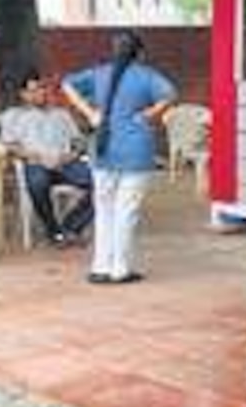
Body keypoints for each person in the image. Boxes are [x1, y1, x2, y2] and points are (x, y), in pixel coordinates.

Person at [62, 31, 176, 285]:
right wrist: (148, 114)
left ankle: (100, 267)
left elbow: (67, 84)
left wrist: (91, 113)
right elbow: (170, 95)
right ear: (140, 53)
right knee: (126, 211)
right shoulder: (146, 75)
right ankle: (120, 269)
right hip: (136, 152)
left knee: (104, 210)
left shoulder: (99, 73)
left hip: (102, 152)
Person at [0, 70, 93, 247]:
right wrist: (34, 157)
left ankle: (71, 226)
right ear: (23, 94)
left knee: (103, 182)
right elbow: (10, 146)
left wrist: (70, 156)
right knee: (37, 184)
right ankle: (54, 231)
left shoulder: (62, 114)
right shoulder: (13, 115)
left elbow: (79, 142)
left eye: (42, 88)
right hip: (36, 163)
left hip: (66, 163)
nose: (40, 93)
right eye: (34, 90)